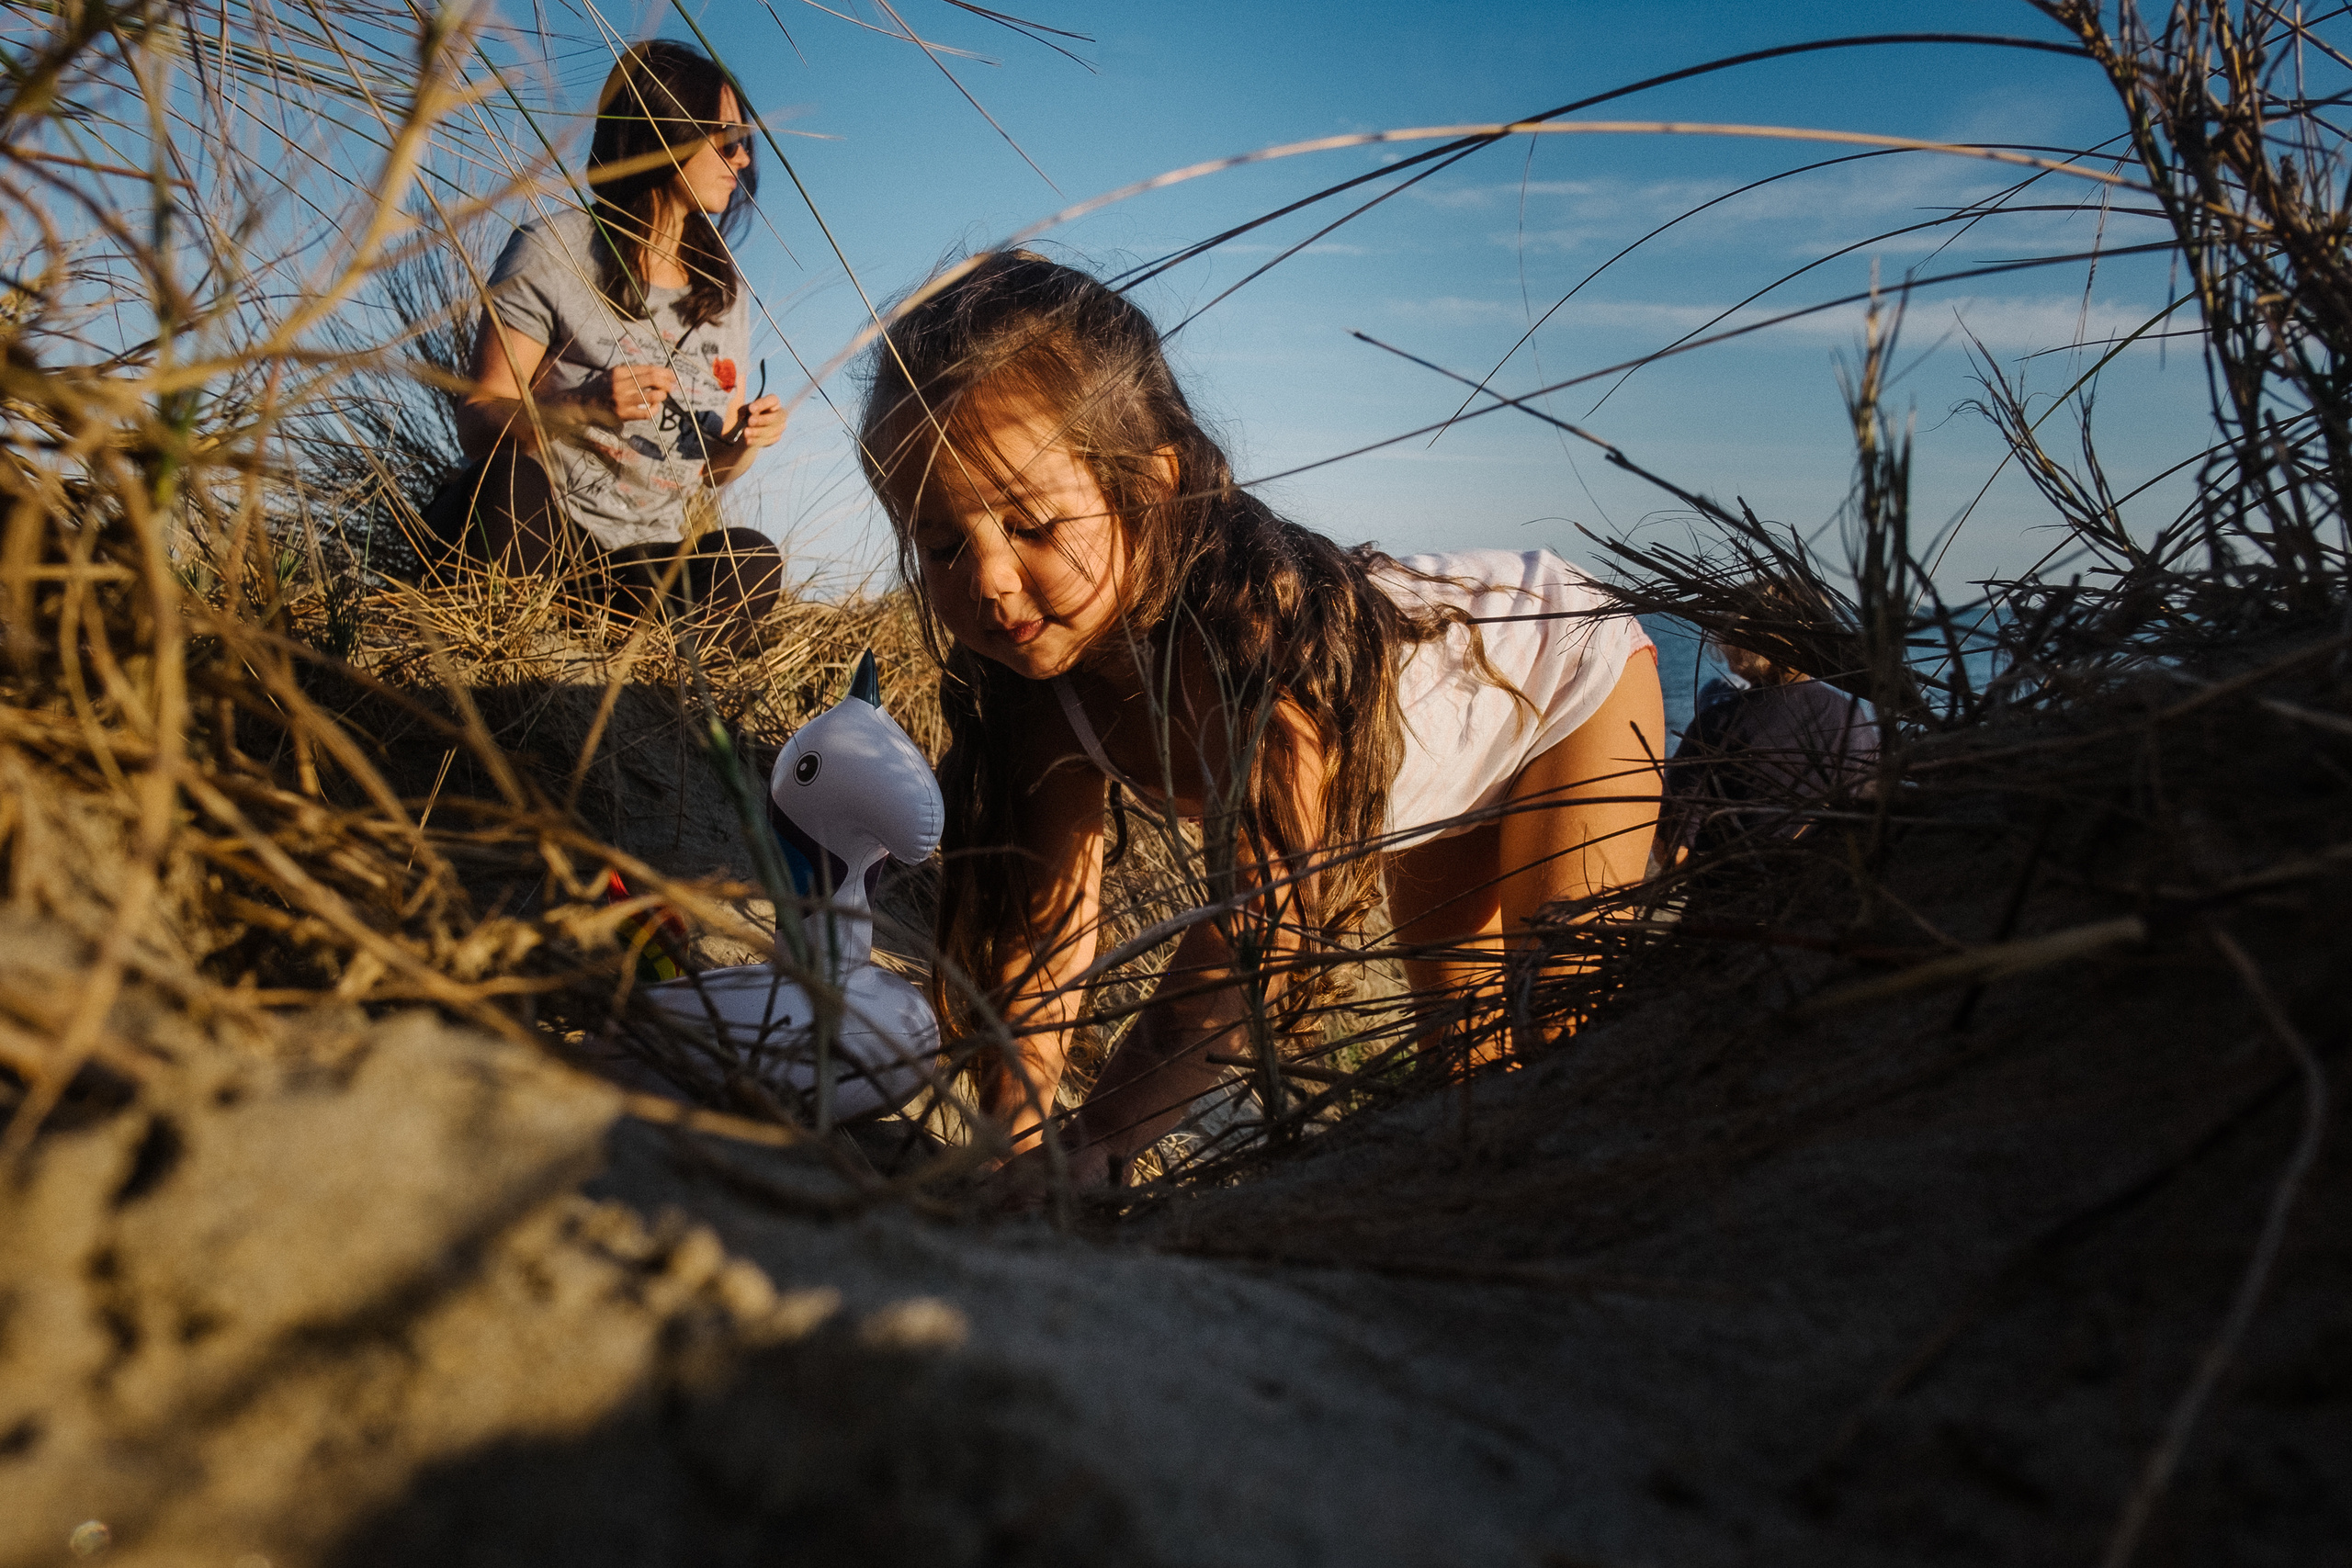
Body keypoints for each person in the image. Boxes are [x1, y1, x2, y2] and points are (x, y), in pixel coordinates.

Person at [859, 252, 1664, 1186]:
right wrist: (1015, 1142)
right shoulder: (1044, 692)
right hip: (1431, 775)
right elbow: (1039, 940)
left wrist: (1111, 1130)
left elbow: (1265, 931)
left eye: (1033, 524)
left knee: (1553, 1025)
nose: (988, 581)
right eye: (942, 543)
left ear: (1151, 484)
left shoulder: (1250, 643)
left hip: (1553, 673)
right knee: (1470, 1072)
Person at [426, 39, 789, 655]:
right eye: (724, 137)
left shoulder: (723, 293)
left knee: (750, 557)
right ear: (664, 130)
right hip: (539, 526)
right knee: (509, 480)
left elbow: (707, 470)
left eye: (744, 139)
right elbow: (476, 418)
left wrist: (744, 443)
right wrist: (584, 407)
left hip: (636, 564)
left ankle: (647, 679)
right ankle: (507, 649)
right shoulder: (553, 250)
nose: (741, 155)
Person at [1662, 584, 1879, 856]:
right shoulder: (1851, 714)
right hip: (1831, 881)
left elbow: (1672, 848)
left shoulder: (1720, 723)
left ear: (1746, 641)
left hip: (1737, 889)